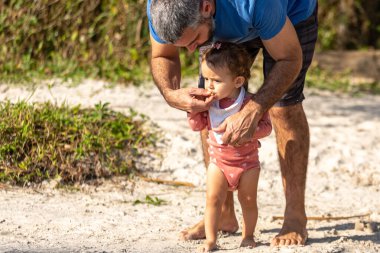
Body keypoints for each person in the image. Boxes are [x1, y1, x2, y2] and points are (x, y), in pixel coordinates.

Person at [147, 0, 318, 246]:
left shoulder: (254, 3)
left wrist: (255, 107)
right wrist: (170, 94)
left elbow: (289, 58)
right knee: (211, 101)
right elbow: (163, 54)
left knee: (284, 108)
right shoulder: (159, 6)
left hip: (290, 14)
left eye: (194, 40)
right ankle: (225, 214)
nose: (190, 50)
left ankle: (294, 216)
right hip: (228, 20)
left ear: (206, 6)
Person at [187, 42, 272, 252]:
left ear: (237, 81)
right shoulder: (209, 103)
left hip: (247, 164)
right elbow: (198, 126)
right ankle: (211, 240)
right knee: (212, 199)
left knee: (248, 200)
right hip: (219, 162)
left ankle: (248, 236)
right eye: (206, 78)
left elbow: (267, 127)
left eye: (216, 80)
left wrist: (251, 132)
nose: (209, 85)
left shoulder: (249, 104)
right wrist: (193, 112)